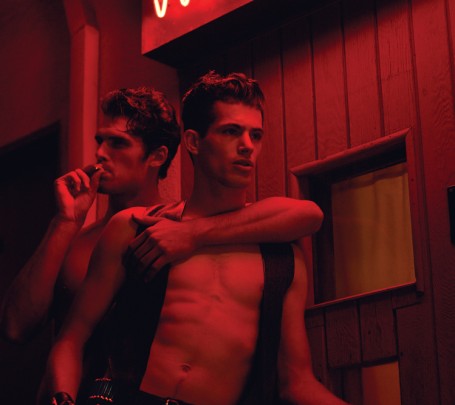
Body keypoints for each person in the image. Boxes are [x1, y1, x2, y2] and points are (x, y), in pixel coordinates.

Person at [45, 71, 346, 405]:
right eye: (231, 131)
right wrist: (63, 398)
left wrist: (192, 233)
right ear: (193, 141)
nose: (247, 146)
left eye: (256, 135)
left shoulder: (282, 259)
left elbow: (297, 383)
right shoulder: (138, 228)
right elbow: (71, 339)